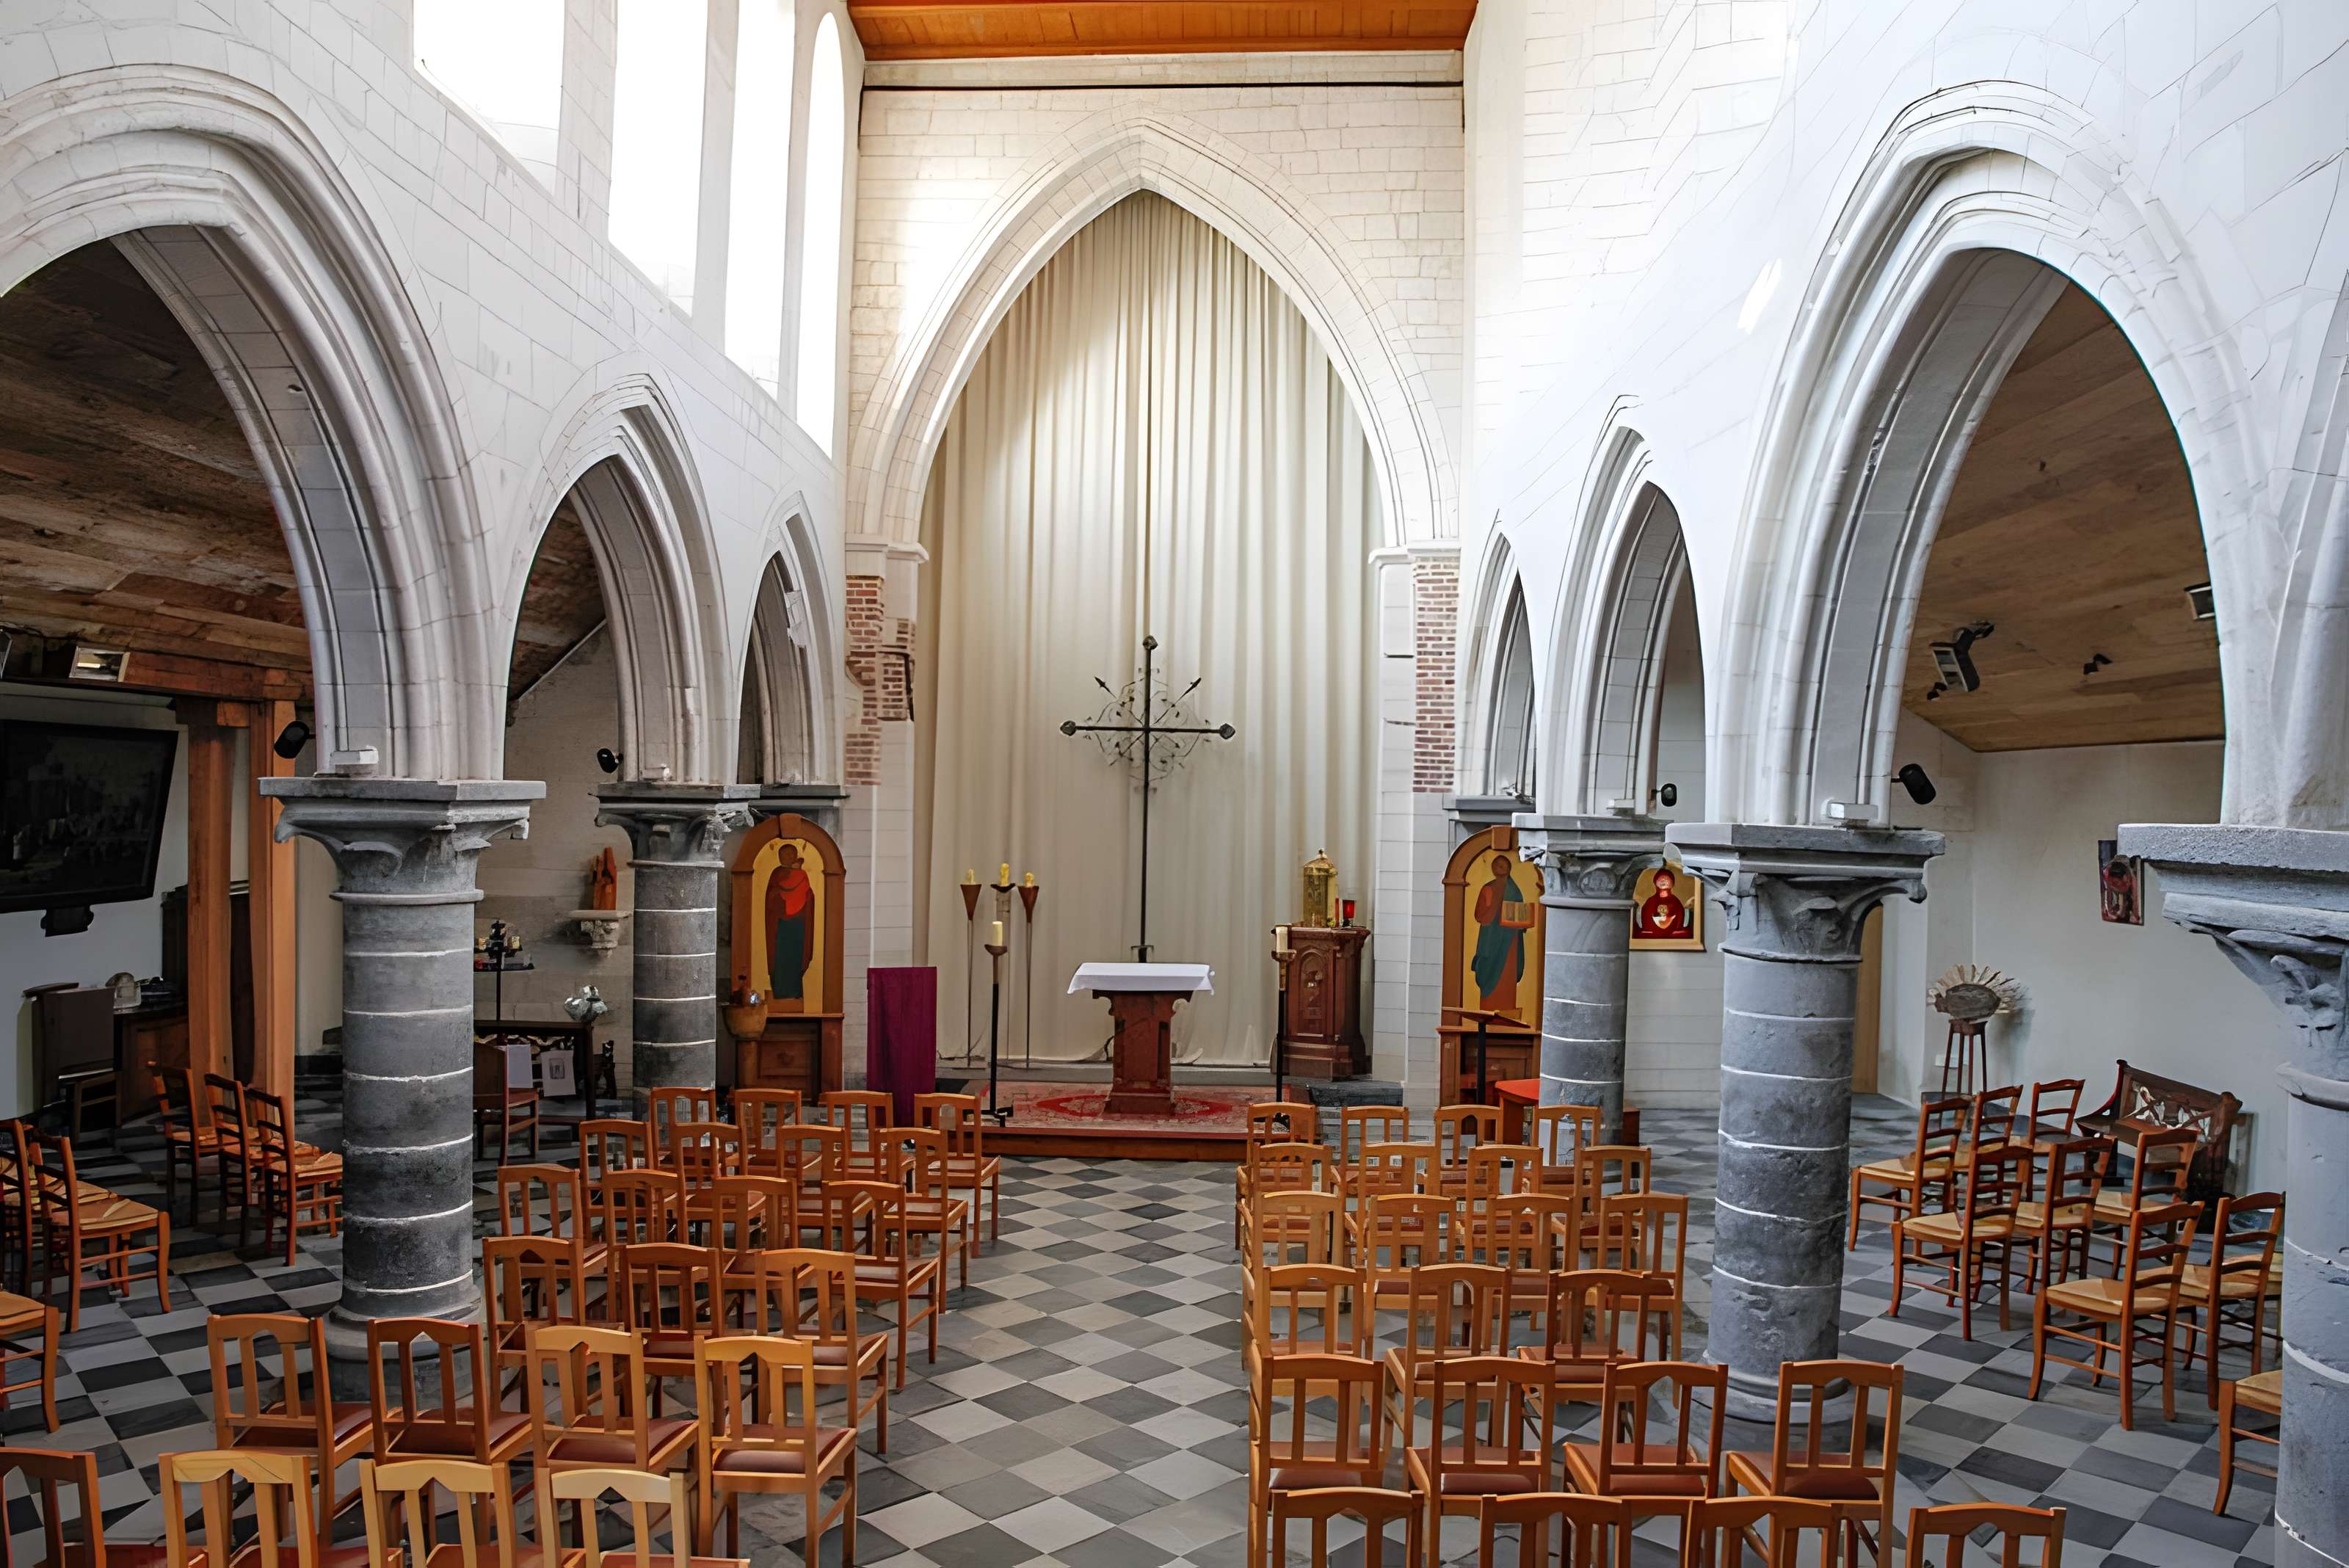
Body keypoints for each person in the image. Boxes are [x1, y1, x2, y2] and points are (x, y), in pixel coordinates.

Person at [1470, 852, 1533, 1018]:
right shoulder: (1488, 888)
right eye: (1498, 866)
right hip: (1490, 939)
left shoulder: (1515, 890)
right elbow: (1479, 915)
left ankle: (1507, 1013)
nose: (1501, 869)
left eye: (1504, 866)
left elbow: (1519, 913)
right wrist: (1493, 909)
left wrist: (1522, 920)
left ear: (1509, 869)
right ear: (1493, 869)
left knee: (1507, 973)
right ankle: (1487, 1011)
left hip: (1509, 942)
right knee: (1488, 969)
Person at [766, 842, 816, 1005]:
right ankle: (780, 992)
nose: (787, 857)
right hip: (781, 925)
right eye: (784, 854)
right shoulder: (777, 874)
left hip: (798, 924)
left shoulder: (802, 875)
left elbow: (808, 896)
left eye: (790, 854)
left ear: (794, 856)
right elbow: (772, 897)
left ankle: (795, 992)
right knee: (782, 958)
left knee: (795, 958)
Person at [1637, 866, 1693, 942]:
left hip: (1673, 933)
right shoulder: (1651, 901)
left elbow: (1680, 916)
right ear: (1655, 882)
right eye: (1661, 878)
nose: (1664, 880)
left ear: (1672, 883)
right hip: (1653, 933)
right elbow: (1646, 917)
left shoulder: (1675, 902)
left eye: (1667, 879)